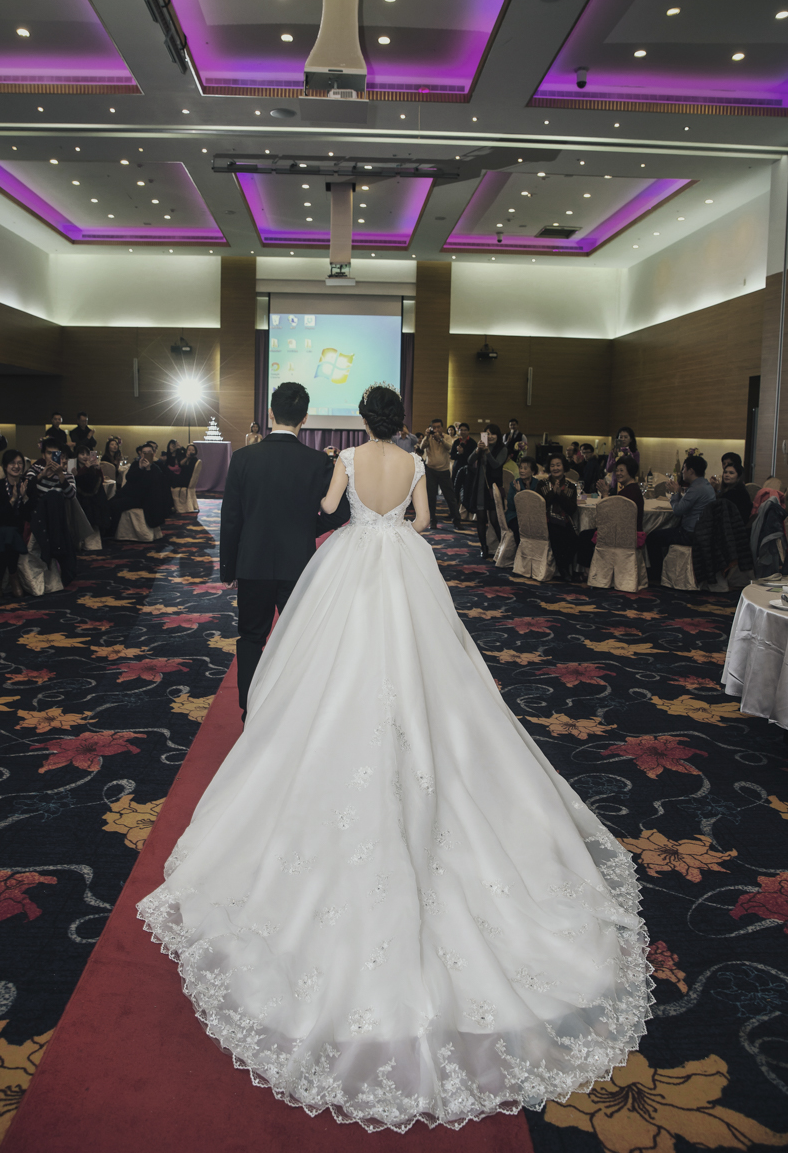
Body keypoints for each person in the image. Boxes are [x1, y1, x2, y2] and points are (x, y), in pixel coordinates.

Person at [137, 381, 651, 1133]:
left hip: (351, 566)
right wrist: (392, 517)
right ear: (399, 422)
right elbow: (425, 523)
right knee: (426, 669)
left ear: (361, 421)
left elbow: (326, 512)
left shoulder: (345, 460)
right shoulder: (414, 462)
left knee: (335, 666)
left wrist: (349, 512)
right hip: (404, 567)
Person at [218, 381, 351, 715]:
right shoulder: (317, 461)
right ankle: (291, 712)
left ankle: (250, 711)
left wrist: (228, 568)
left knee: (251, 638)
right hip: (299, 565)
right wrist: (309, 529)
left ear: (270, 413)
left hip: (252, 564)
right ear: (305, 418)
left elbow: (231, 519)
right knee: (297, 640)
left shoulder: (243, 458)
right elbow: (341, 512)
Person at [646, 453, 715, 582]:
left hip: (691, 533)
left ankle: (655, 575)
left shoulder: (696, 489)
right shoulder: (705, 485)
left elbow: (678, 511)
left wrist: (675, 493)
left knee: (652, 537)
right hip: (703, 531)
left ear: (691, 471)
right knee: (664, 532)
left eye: (684, 468)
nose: (682, 472)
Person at [580, 455, 644, 570]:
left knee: (584, 536)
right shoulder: (633, 489)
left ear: (630, 471)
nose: (618, 473)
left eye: (621, 470)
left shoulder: (627, 493)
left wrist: (605, 495)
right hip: (630, 535)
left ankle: (589, 572)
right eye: (617, 470)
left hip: (618, 536)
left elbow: (609, 516)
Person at [0, 450, 30, 600]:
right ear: (5, 466)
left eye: (19, 463)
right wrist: (12, 499)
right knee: (6, 534)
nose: (16, 466)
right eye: (12, 463)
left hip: (20, 526)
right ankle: (13, 577)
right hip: (2, 525)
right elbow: (0, 514)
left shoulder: (27, 484)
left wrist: (24, 498)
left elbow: (29, 514)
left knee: (8, 535)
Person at [463, 423, 506, 558]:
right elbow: (469, 460)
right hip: (480, 487)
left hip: (493, 488)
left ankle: (504, 547)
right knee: (481, 519)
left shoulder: (502, 449)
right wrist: (477, 450)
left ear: (498, 436)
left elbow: (496, 465)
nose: (490, 436)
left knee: (495, 520)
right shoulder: (481, 448)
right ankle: (484, 547)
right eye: (487, 434)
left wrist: (487, 452)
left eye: (493, 434)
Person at [539, 454, 579, 580]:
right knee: (556, 533)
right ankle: (563, 569)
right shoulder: (542, 484)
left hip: (565, 520)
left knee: (575, 539)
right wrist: (553, 493)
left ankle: (565, 566)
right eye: (552, 465)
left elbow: (572, 509)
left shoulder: (571, 486)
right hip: (546, 520)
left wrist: (560, 495)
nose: (555, 468)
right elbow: (540, 504)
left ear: (564, 466)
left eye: (558, 465)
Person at [419, 418, 463, 530]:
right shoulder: (428, 437)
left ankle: (457, 521)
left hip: (444, 471)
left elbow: (450, 448)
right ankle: (432, 521)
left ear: (442, 428)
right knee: (431, 497)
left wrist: (441, 439)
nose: (436, 429)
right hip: (431, 471)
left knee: (450, 497)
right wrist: (426, 436)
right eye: (434, 427)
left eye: (438, 427)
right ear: (430, 428)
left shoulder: (447, 437)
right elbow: (421, 447)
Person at [74, 445, 111, 534]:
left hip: (93, 493)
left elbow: (100, 480)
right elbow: (75, 478)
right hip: (79, 493)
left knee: (100, 493)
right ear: (77, 455)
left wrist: (98, 468)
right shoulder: (74, 466)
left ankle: (101, 527)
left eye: (87, 454)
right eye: (82, 454)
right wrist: (85, 467)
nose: (85, 457)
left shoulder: (91, 467)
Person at [505, 454, 540, 546]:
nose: (521, 471)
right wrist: (518, 493)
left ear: (532, 471)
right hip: (515, 515)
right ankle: (520, 550)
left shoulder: (538, 484)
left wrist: (528, 492)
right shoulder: (514, 484)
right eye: (520, 468)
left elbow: (537, 504)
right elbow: (511, 506)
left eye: (525, 468)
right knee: (519, 527)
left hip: (532, 516)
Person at [712, 455, 752, 525]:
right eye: (725, 472)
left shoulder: (737, 492)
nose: (727, 475)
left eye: (731, 473)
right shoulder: (727, 489)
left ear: (738, 477)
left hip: (733, 526)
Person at [450, 423, 476, 506]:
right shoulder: (456, 442)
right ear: (458, 431)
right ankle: (455, 509)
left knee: (467, 489)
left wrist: (463, 452)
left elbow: (473, 457)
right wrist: (458, 453)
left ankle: (465, 509)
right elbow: (452, 456)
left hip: (468, 469)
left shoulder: (472, 443)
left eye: (465, 430)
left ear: (468, 431)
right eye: (461, 430)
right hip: (457, 468)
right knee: (455, 489)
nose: (463, 432)